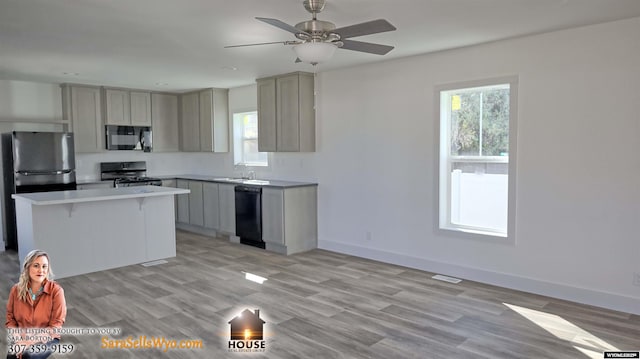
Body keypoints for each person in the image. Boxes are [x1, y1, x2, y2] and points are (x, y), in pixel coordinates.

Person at [6, 250, 67, 359]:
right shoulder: (15, 290)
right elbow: (11, 320)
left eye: (44, 266)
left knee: (29, 355)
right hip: (22, 335)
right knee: (12, 356)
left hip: (47, 337)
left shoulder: (56, 291)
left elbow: (56, 325)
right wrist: (19, 339)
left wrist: (29, 342)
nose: (41, 270)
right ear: (27, 267)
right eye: (36, 266)